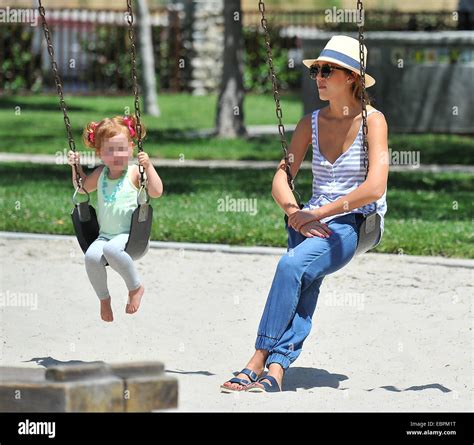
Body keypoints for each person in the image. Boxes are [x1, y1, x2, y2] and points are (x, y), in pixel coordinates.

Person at [221, 35, 388, 393]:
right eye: (316, 70)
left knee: (290, 267)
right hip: (308, 218)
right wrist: (294, 211)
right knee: (303, 283)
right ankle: (278, 368)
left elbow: (375, 187)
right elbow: (282, 177)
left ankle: (258, 357)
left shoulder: (373, 121)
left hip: (352, 222)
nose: (319, 77)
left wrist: (319, 213)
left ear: (352, 77)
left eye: (327, 70)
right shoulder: (309, 123)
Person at [68, 115, 163, 322]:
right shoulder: (101, 174)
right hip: (105, 236)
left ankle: (135, 288)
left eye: (121, 149)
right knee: (91, 257)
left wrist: (149, 167)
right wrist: (76, 167)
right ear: (100, 153)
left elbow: (156, 192)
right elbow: (82, 187)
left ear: (131, 147)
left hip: (131, 237)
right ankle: (104, 299)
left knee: (111, 250)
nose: (116, 154)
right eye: (110, 150)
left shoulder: (134, 173)